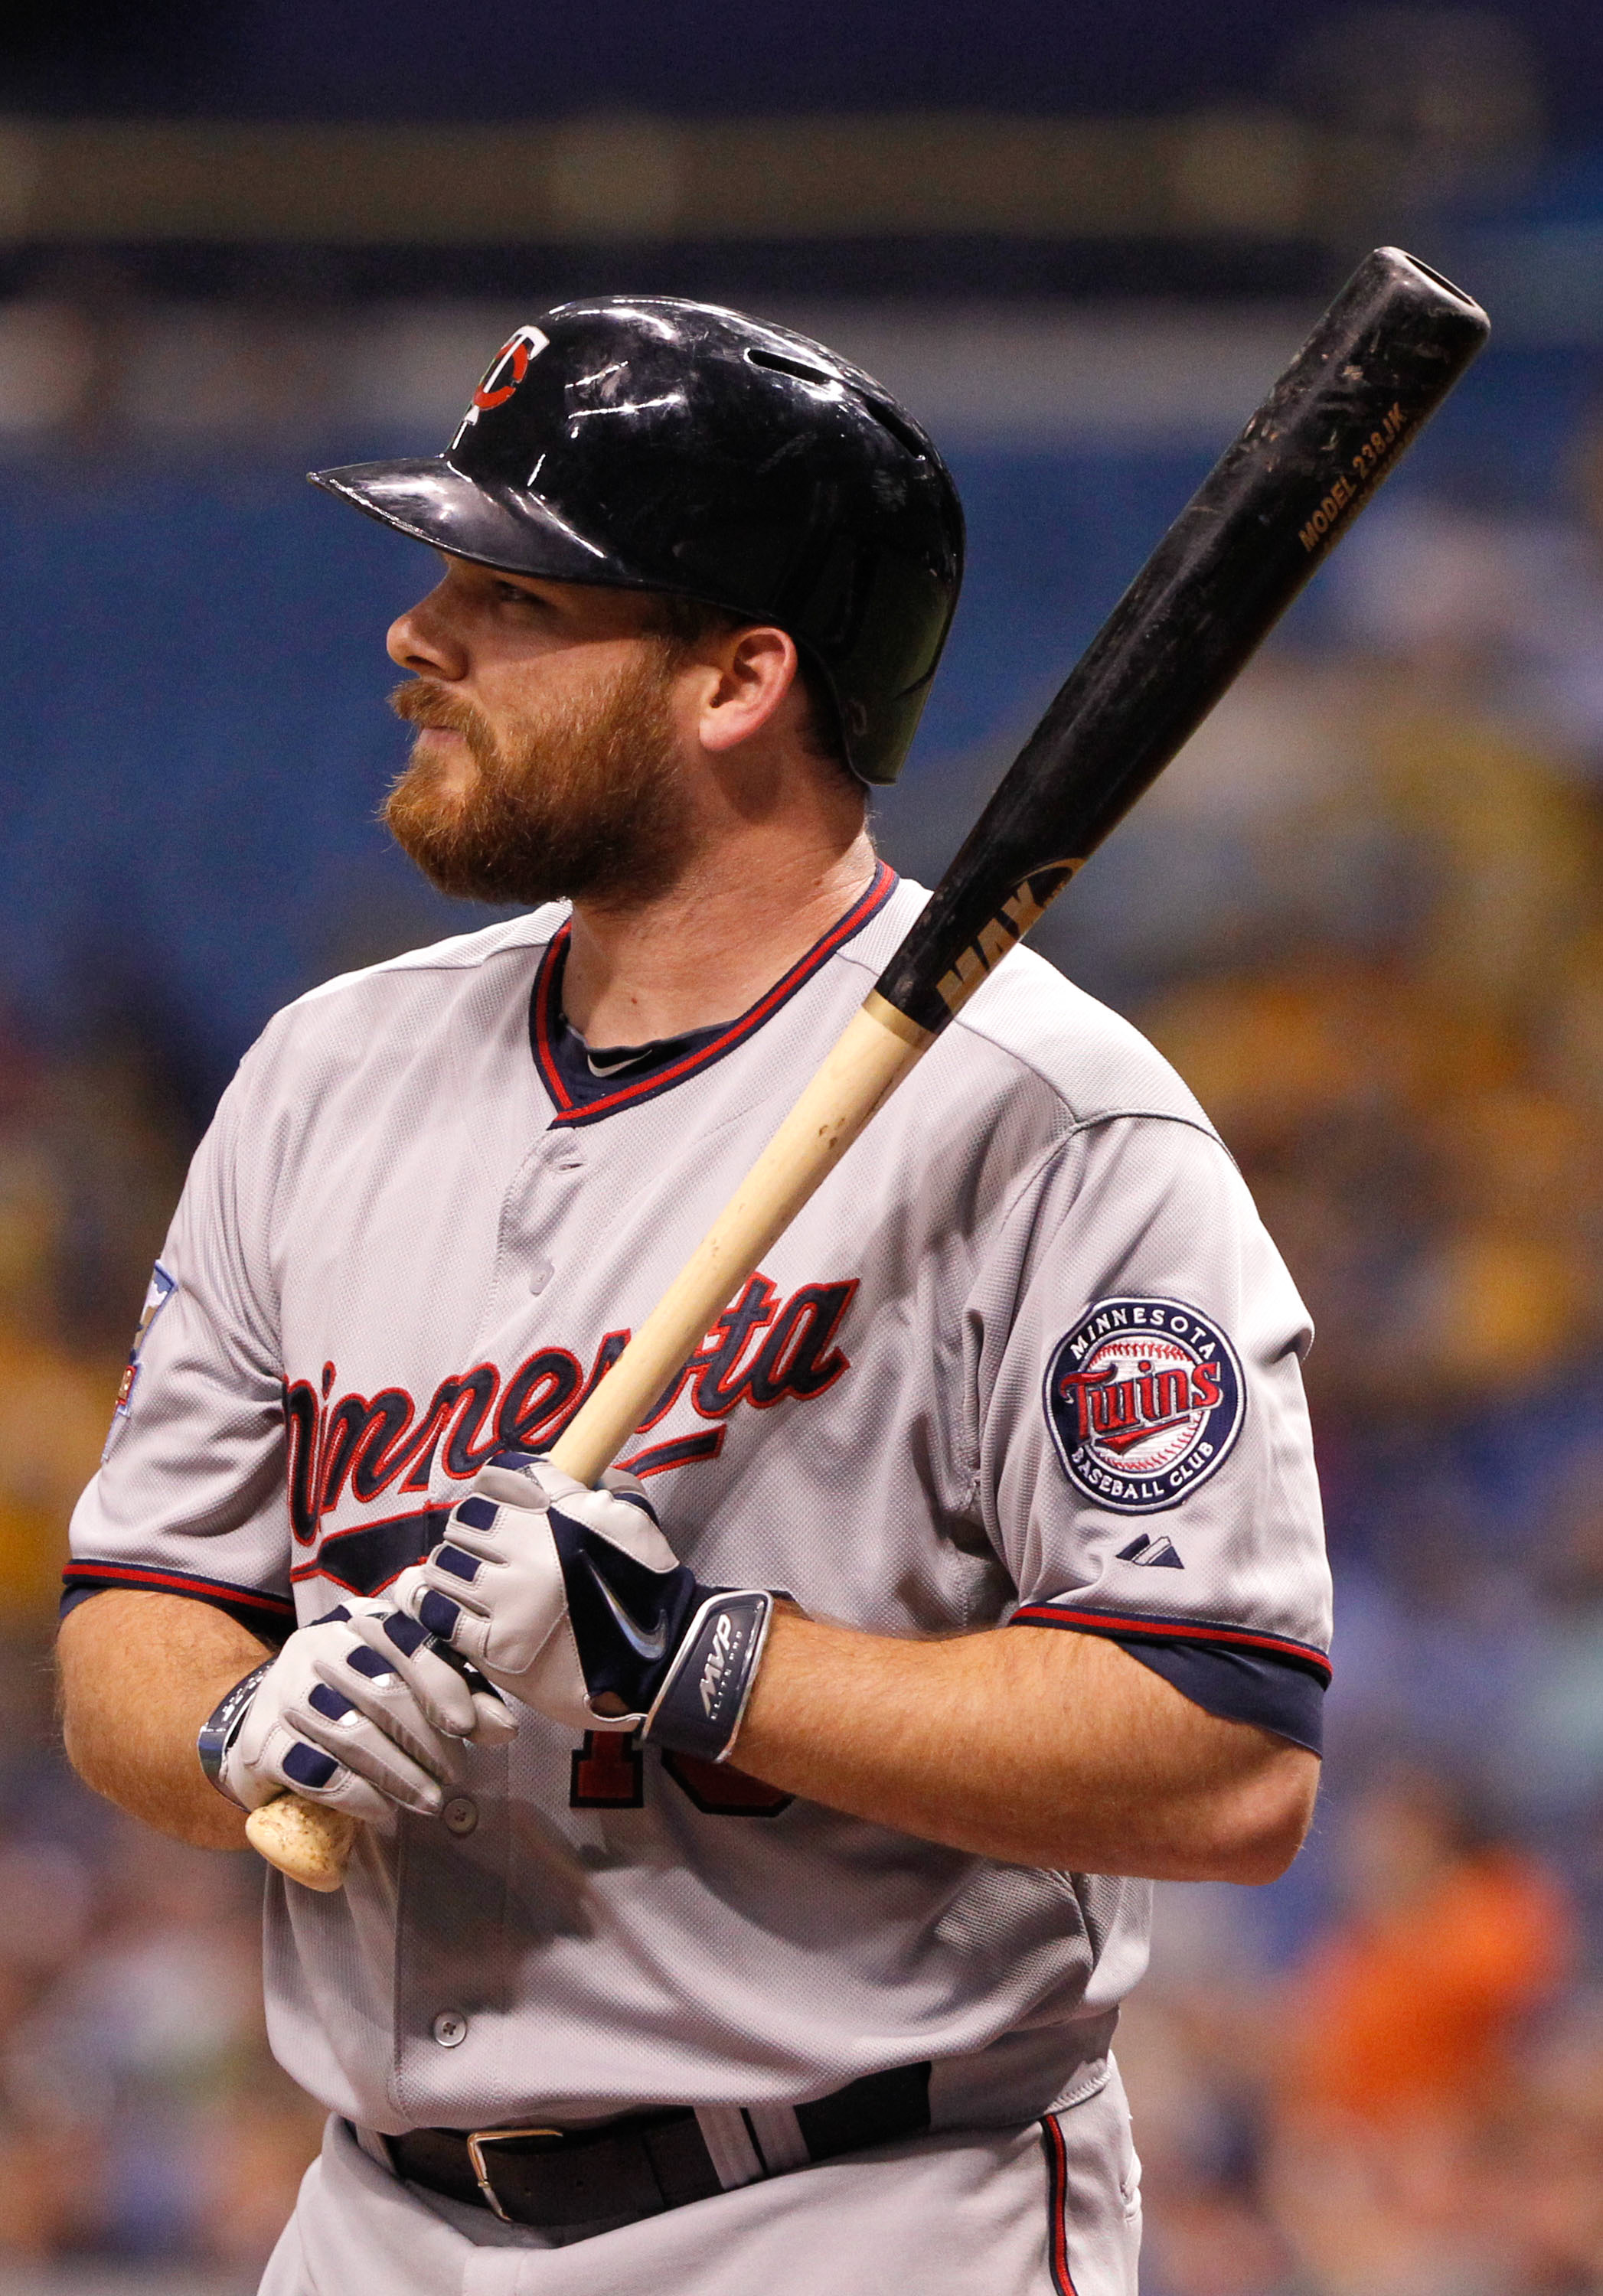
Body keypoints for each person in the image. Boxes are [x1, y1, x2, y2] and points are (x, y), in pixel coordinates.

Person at [56, 296, 1330, 2296]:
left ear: (742, 677)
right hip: (370, 2220)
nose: (418, 640)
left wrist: (690, 1650)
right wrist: (240, 1728)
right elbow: (131, 1617)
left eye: (514, 596)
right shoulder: (319, 1077)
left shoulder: (1056, 1123)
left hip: (858, 2211)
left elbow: (1224, 1752)